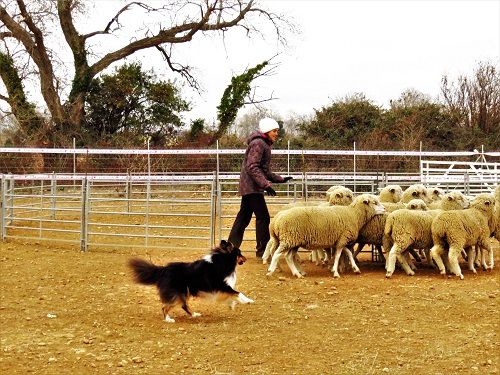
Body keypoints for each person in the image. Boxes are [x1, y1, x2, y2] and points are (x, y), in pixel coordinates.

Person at [228, 117, 292, 258]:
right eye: (274, 131)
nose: (276, 133)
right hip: (252, 186)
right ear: (267, 131)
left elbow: (264, 170)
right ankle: (263, 250)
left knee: (243, 217)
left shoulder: (262, 143)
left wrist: (280, 179)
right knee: (263, 217)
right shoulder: (259, 143)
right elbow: (252, 166)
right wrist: (265, 184)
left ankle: (230, 248)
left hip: (251, 185)